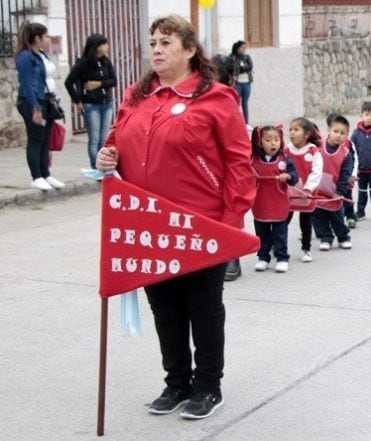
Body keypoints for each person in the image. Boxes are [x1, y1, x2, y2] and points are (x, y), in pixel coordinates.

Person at [95, 14, 256, 419]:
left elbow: (239, 162)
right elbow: (114, 144)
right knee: (164, 307)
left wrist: (230, 223)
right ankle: (176, 383)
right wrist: (106, 156)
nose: (156, 50)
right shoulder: (136, 95)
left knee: (203, 307)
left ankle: (208, 387)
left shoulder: (216, 97)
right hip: (149, 225)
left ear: (189, 50)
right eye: (153, 42)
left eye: (166, 43)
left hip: (202, 224)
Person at [15, 21, 66, 191]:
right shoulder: (25, 57)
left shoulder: (38, 54)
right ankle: (36, 177)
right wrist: (35, 108)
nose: (48, 39)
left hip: (46, 101)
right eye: (45, 36)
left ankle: (46, 174)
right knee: (36, 139)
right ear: (37, 38)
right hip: (32, 102)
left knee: (45, 140)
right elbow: (28, 84)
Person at [64, 33, 117, 170]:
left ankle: (103, 166)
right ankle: (95, 167)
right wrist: (78, 100)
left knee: (104, 139)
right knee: (94, 139)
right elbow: (69, 82)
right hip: (91, 104)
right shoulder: (83, 63)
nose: (107, 47)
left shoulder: (105, 61)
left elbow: (114, 80)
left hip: (106, 103)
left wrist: (98, 84)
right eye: (104, 44)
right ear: (96, 47)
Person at [251, 125, 298, 273]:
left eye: (276, 140)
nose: (273, 143)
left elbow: (295, 177)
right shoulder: (253, 160)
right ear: (259, 142)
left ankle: (282, 258)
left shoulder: (285, 159)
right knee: (262, 233)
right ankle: (263, 257)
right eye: (268, 140)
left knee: (280, 234)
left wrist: (288, 177)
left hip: (279, 204)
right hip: (260, 203)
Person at [286, 117, 324, 262]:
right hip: (289, 193)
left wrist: (308, 189)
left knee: (305, 222)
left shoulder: (313, 152)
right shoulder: (286, 150)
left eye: (296, 130)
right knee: (283, 221)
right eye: (290, 129)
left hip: (305, 195)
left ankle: (306, 249)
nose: (292, 133)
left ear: (307, 134)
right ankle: (277, 245)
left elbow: (316, 172)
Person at [313, 114, 354, 250]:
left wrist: (340, 191)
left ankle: (343, 237)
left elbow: (345, 175)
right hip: (318, 190)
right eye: (335, 131)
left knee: (337, 217)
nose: (338, 135)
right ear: (329, 130)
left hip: (335, 192)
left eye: (342, 133)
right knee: (318, 216)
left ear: (346, 136)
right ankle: (326, 237)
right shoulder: (317, 147)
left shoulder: (346, 154)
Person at [230, 40, 253, 123]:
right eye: (242, 48)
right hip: (237, 83)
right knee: (236, 103)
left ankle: (246, 122)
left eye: (245, 48)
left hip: (247, 82)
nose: (244, 50)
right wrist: (242, 68)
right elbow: (234, 68)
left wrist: (241, 68)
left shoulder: (247, 57)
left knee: (245, 103)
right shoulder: (232, 57)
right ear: (237, 48)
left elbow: (250, 67)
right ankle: (236, 122)